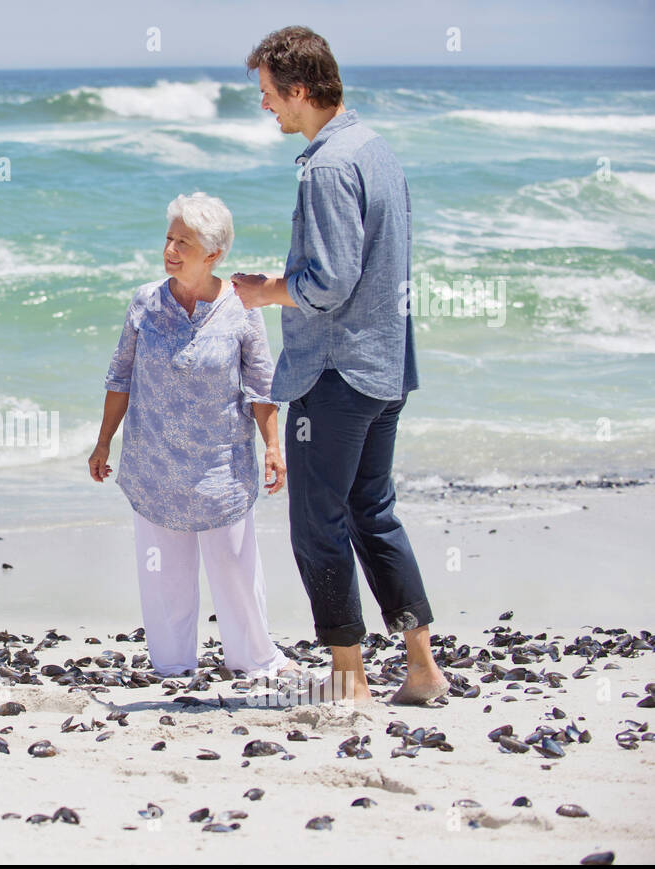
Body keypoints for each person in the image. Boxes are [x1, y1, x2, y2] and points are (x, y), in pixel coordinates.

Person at [231, 26, 448, 705]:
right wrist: (286, 280)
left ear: (299, 91)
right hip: (384, 367)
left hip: (337, 373)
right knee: (372, 514)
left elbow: (328, 282)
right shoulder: (375, 150)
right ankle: (420, 667)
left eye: (269, 94)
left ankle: (350, 678)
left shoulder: (326, 165)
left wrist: (268, 291)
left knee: (316, 522)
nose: (266, 107)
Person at [90, 193, 297, 681]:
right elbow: (119, 377)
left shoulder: (242, 305)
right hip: (154, 461)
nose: (171, 249)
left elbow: (261, 386)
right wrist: (103, 442)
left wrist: (273, 446)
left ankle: (254, 659)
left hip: (220, 464)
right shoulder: (144, 301)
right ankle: (172, 664)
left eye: (184, 241)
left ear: (214, 252)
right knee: (164, 575)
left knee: (234, 569)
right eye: (169, 239)